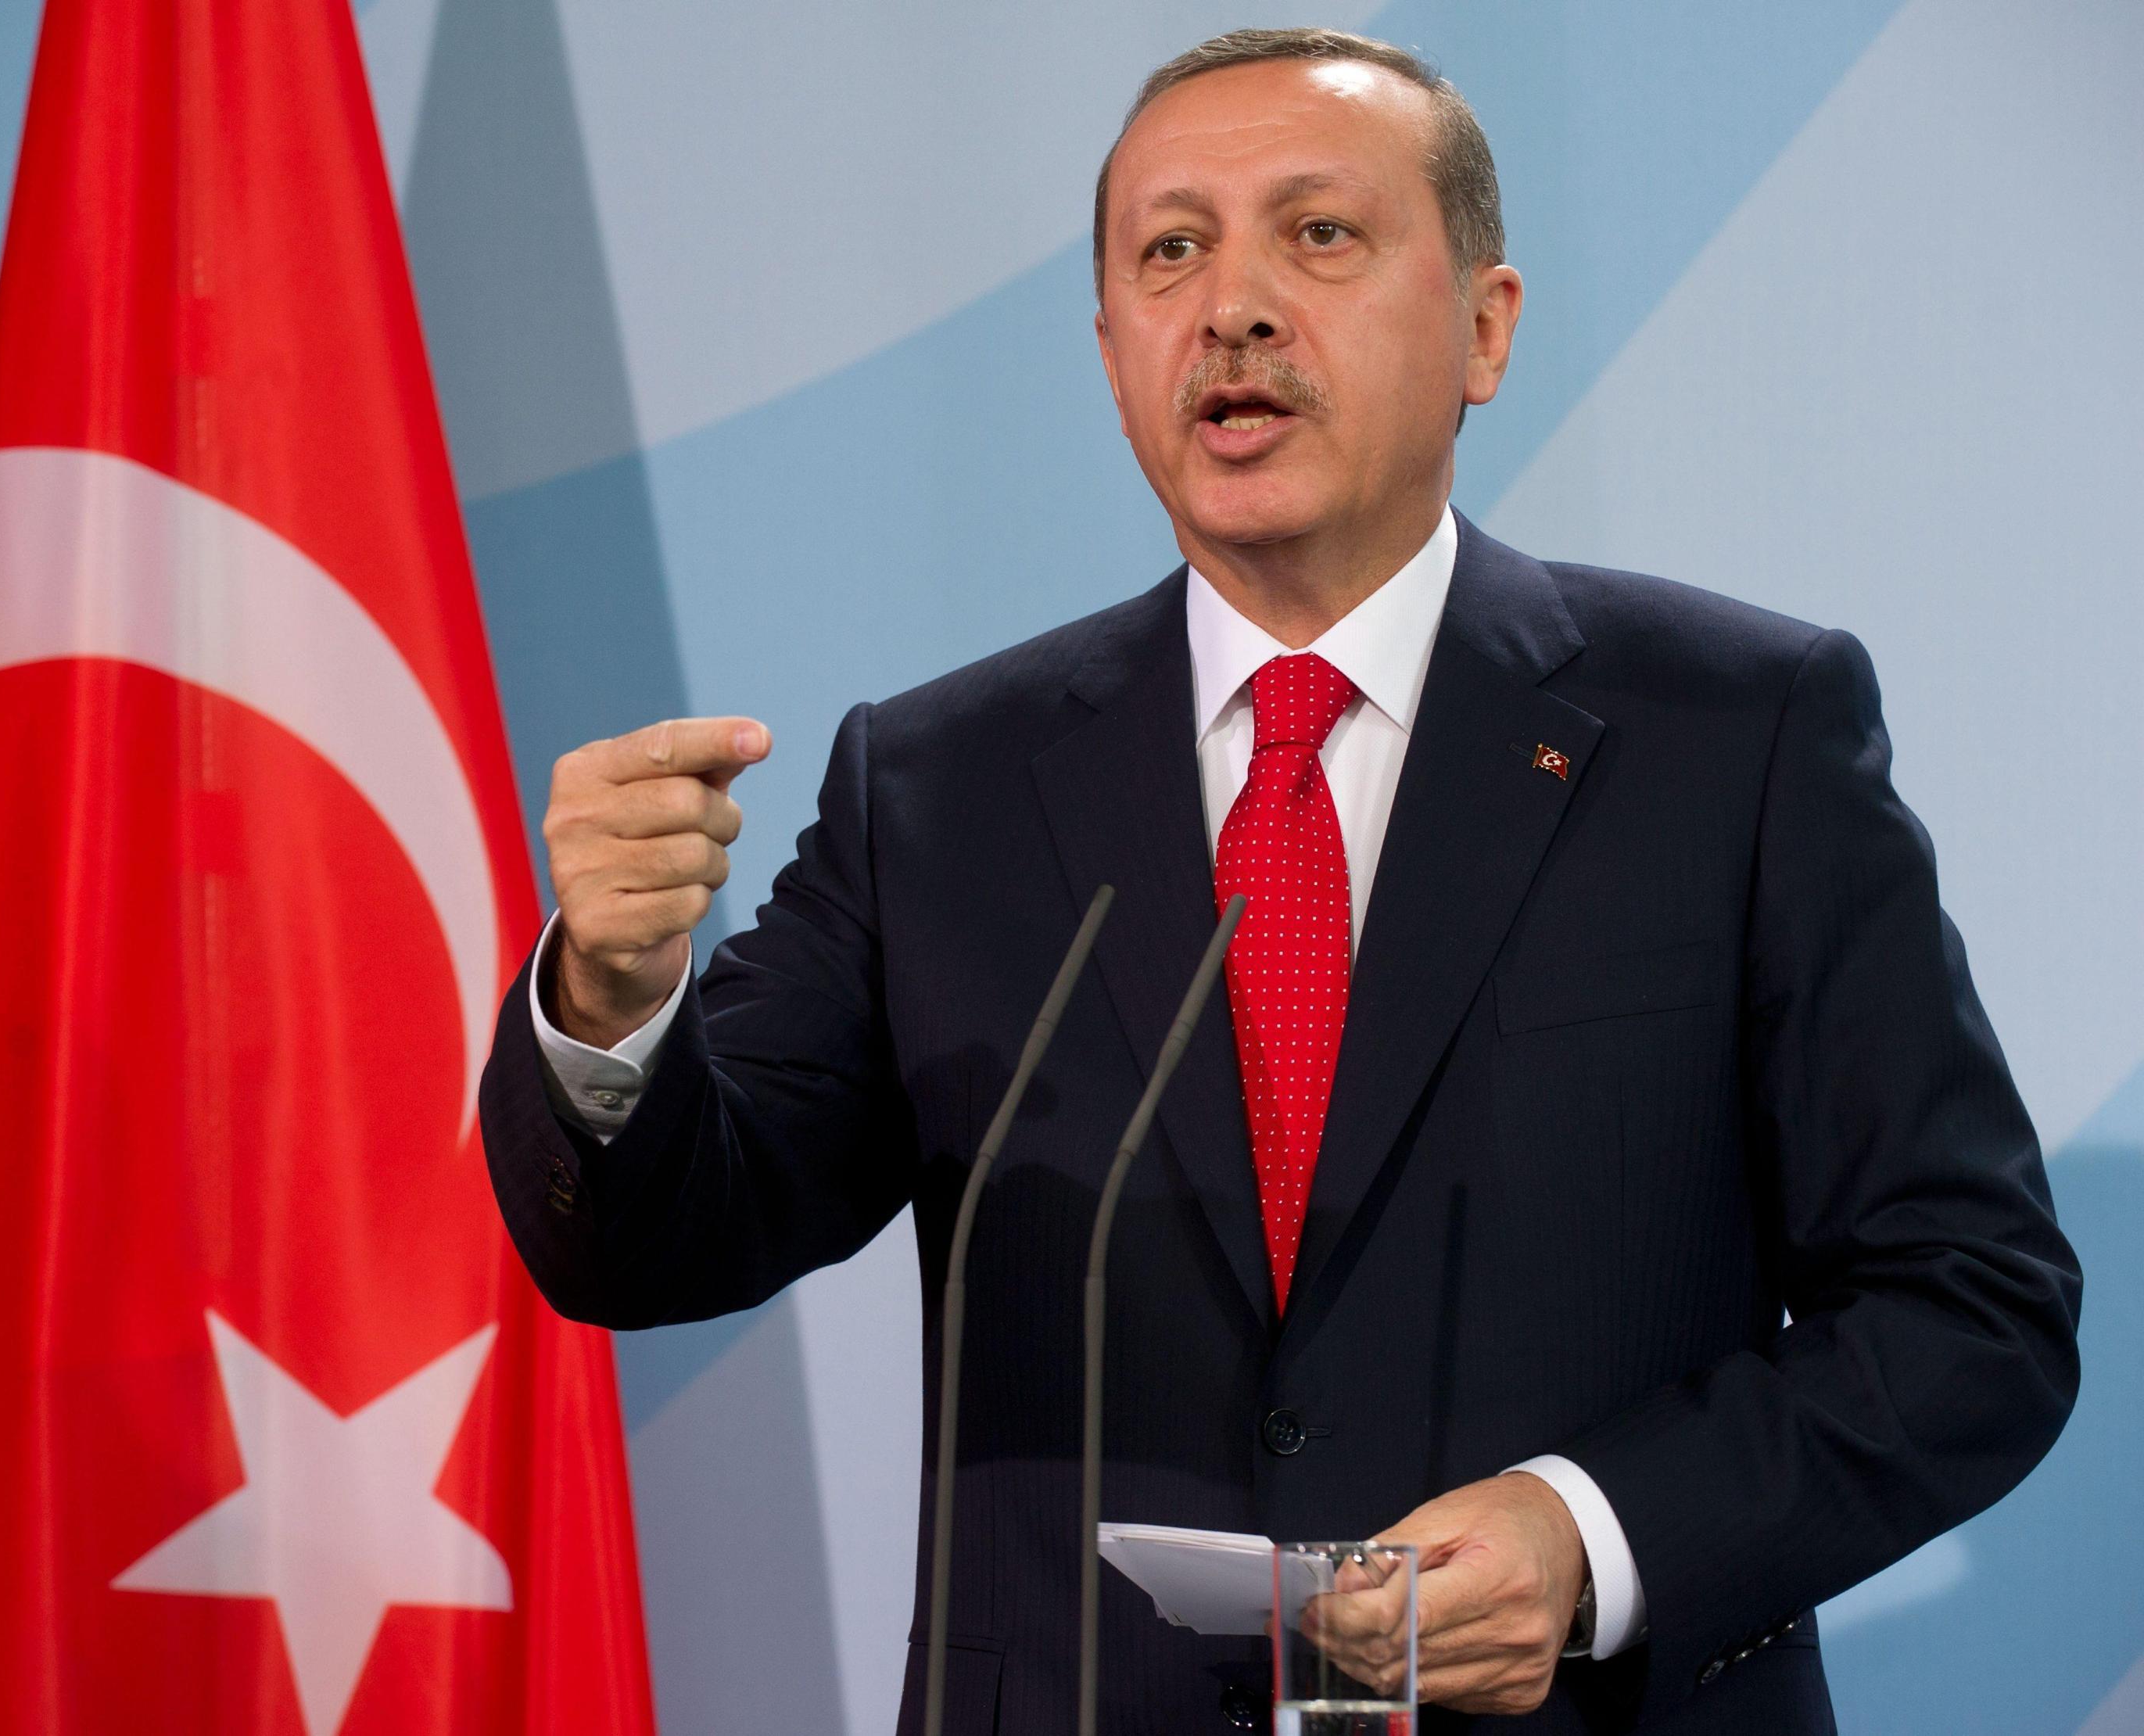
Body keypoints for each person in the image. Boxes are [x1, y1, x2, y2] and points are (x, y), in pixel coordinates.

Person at [480, 29, 2081, 1734]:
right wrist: (611, 999)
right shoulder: (938, 785)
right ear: (1111, 350)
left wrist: (1593, 1536)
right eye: (1170, 252)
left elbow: (1968, 1313)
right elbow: (658, 1243)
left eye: (1318, 234)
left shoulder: (1735, 734)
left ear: (1485, 325)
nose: (1230, 306)